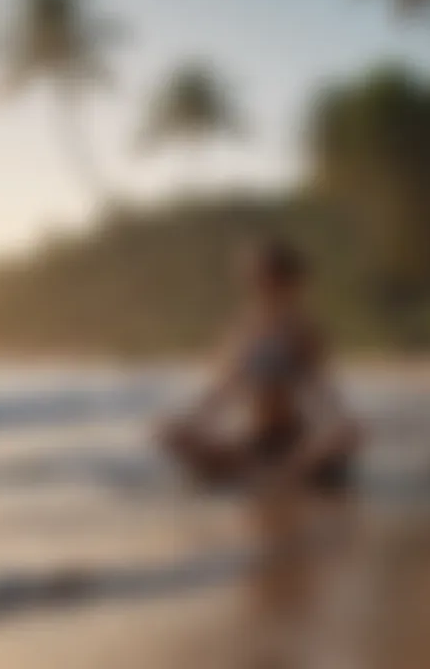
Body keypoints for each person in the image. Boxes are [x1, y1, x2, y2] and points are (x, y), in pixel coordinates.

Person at [157, 237, 361, 667]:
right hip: (257, 441)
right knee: (173, 434)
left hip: (296, 438)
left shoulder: (303, 330)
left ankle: (283, 472)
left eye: (266, 275)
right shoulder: (245, 329)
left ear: (290, 281)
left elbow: (319, 391)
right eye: (254, 276)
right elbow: (225, 390)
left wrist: (335, 431)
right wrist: (191, 425)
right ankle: (268, 472)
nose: (258, 283)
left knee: (341, 438)